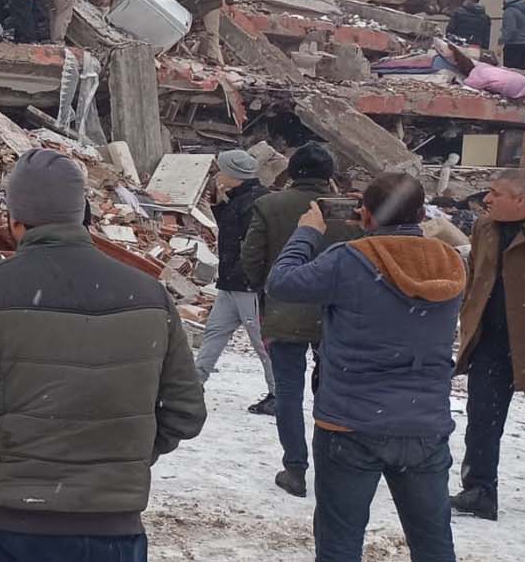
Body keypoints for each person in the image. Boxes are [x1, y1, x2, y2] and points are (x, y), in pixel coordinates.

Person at [0, 149, 205, 561]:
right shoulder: (149, 295)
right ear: (82, 214)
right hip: (110, 528)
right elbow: (186, 410)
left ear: (14, 221)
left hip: (7, 525)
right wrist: (127, 457)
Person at [267, 172, 462, 562]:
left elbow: (281, 282)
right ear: (423, 213)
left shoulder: (349, 260)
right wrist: (376, 229)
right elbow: (402, 254)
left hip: (350, 422)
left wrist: (308, 232)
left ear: (367, 215)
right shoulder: (450, 261)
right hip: (423, 424)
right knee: (433, 543)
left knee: (340, 541)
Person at [241, 142, 359, 498]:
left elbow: (251, 258)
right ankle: (334, 463)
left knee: (289, 393)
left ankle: (295, 467)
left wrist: (267, 287)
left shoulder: (269, 205)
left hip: (284, 309)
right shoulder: (349, 211)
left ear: (291, 172)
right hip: (337, 315)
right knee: (333, 391)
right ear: (330, 175)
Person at [452, 168, 525, 521]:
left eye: (496, 193)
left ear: (522, 200)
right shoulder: (483, 228)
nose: (486, 199)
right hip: (490, 339)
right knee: (482, 419)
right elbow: (475, 277)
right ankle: (479, 491)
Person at [198, 150, 276, 411]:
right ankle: (193, 385)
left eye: (221, 170)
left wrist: (249, 277)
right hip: (231, 282)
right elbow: (231, 231)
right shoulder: (241, 198)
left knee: (261, 341)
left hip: (248, 285)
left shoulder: (257, 202)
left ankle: (278, 394)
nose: (217, 174)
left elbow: (252, 244)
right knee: (214, 333)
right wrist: (220, 203)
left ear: (234, 175)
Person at [500, 0, 525, 70]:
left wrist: (500, 42)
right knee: (521, 72)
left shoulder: (510, 10)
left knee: (510, 72)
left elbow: (510, 30)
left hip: (513, 45)